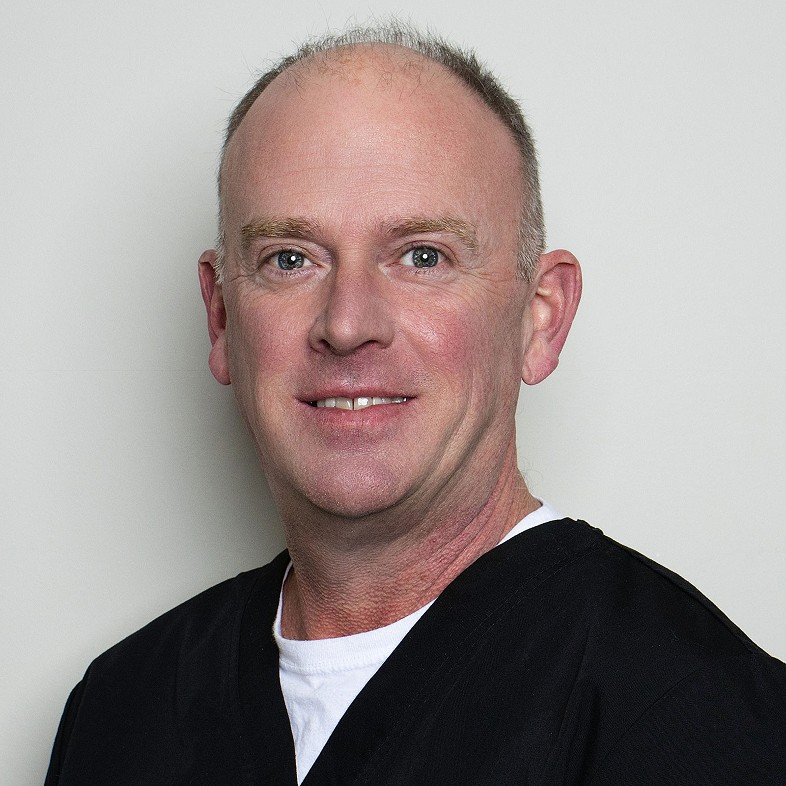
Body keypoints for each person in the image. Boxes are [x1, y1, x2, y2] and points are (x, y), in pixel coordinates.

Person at [45, 23, 786, 785]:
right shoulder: (121, 707)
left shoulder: (700, 714)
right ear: (223, 317)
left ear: (540, 319)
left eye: (423, 256)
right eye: (289, 258)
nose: (347, 324)